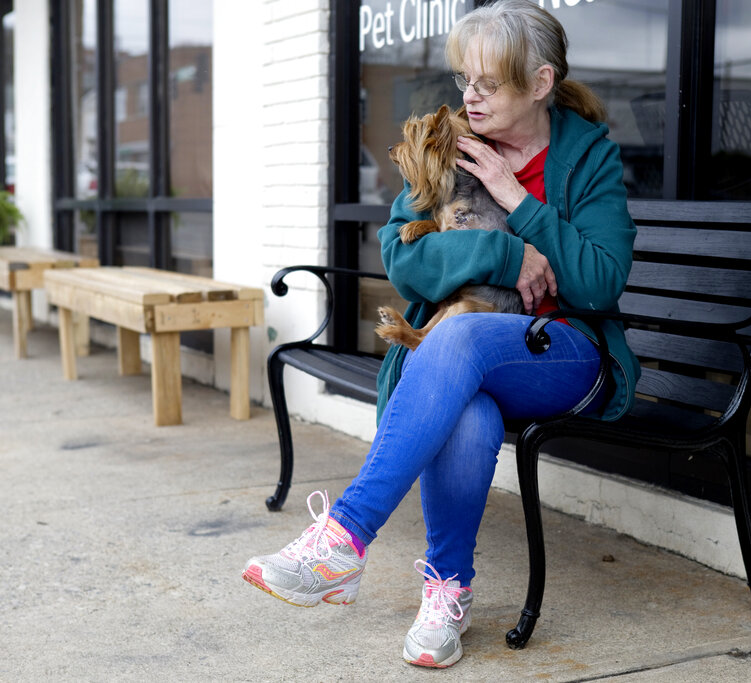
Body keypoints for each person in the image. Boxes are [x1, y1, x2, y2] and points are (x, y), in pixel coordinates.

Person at [242, 0, 639, 668]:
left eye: (488, 83)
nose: (469, 96)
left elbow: (600, 281)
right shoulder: (449, 145)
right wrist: (506, 257)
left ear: (539, 84)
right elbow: (402, 258)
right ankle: (446, 592)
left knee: (459, 341)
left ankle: (343, 537)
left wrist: (518, 202)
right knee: (468, 408)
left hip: (566, 355)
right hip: (473, 362)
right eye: (464, 80)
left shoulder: (588, 158)